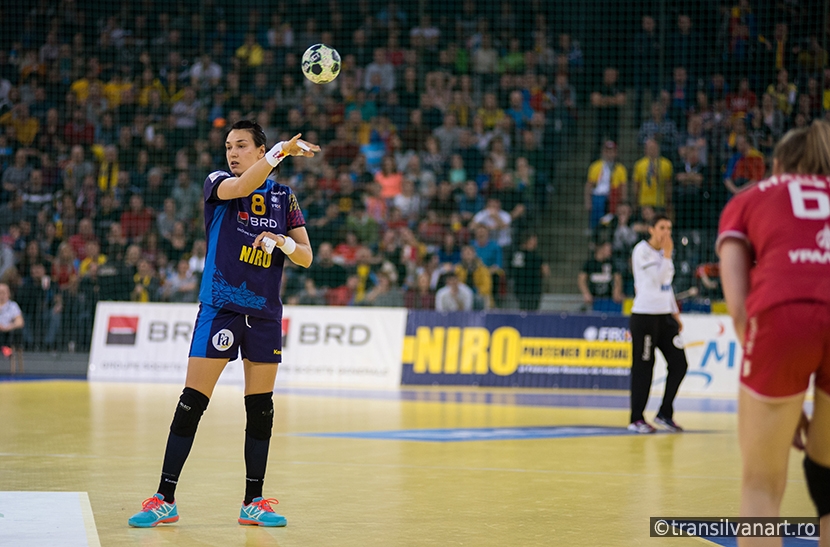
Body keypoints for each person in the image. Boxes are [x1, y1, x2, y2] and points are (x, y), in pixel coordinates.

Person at [128, 121, 319, 528]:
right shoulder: (218, 182)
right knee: (192, 401)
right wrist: (280, 152)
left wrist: (282, 242)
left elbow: (306, 257)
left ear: (258, 148)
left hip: (265, 313)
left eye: (242, 146)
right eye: (229, 146)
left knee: (260, 409)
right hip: (220, 308)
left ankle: (253, 501)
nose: (232, 153)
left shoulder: (285, 198)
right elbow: (242, 187)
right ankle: (165, 497)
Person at [718, 121, 830, 546]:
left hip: (784, 315)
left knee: (761, 486)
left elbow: (738, 306)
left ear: (778, 165)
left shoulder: (751, 198)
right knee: (827, 481)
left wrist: (779, 392)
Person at [628, 213, 688, 434]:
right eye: (662, 227)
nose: (666, 233)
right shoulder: (641, 251)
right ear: (651, 229)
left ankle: (664, 412)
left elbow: (667, 286)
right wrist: (668, 255)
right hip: (645, 316)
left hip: (664, 316)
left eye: (669, 228)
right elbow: (657, 279)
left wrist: (674, 313)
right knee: (644, 367)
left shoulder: (664, 255)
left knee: (680, 364)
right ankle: (636, 418)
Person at [0, 283, 24, 358]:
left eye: (4, 292)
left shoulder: (13, 305)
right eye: (0, 292)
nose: (2, 295)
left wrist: (9, 327)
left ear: (9, 293)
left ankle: (7, 350)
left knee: (15, 331)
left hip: (8, 332)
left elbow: (20, 322)